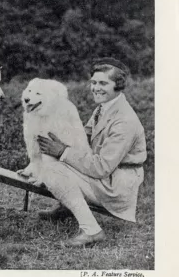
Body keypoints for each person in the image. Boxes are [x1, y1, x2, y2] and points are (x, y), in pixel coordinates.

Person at [36, 57, 147, 247]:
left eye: (103, 83)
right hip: (107, 176)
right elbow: (84, 137)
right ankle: (68, 207)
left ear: (118, 85)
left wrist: (63, 151)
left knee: (53, 171)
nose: (96, 88)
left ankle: (92, 230)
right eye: (94, 82)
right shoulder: (104, 107)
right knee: (55, 162)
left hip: (116, 185)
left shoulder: (124, 120)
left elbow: (102, 168)